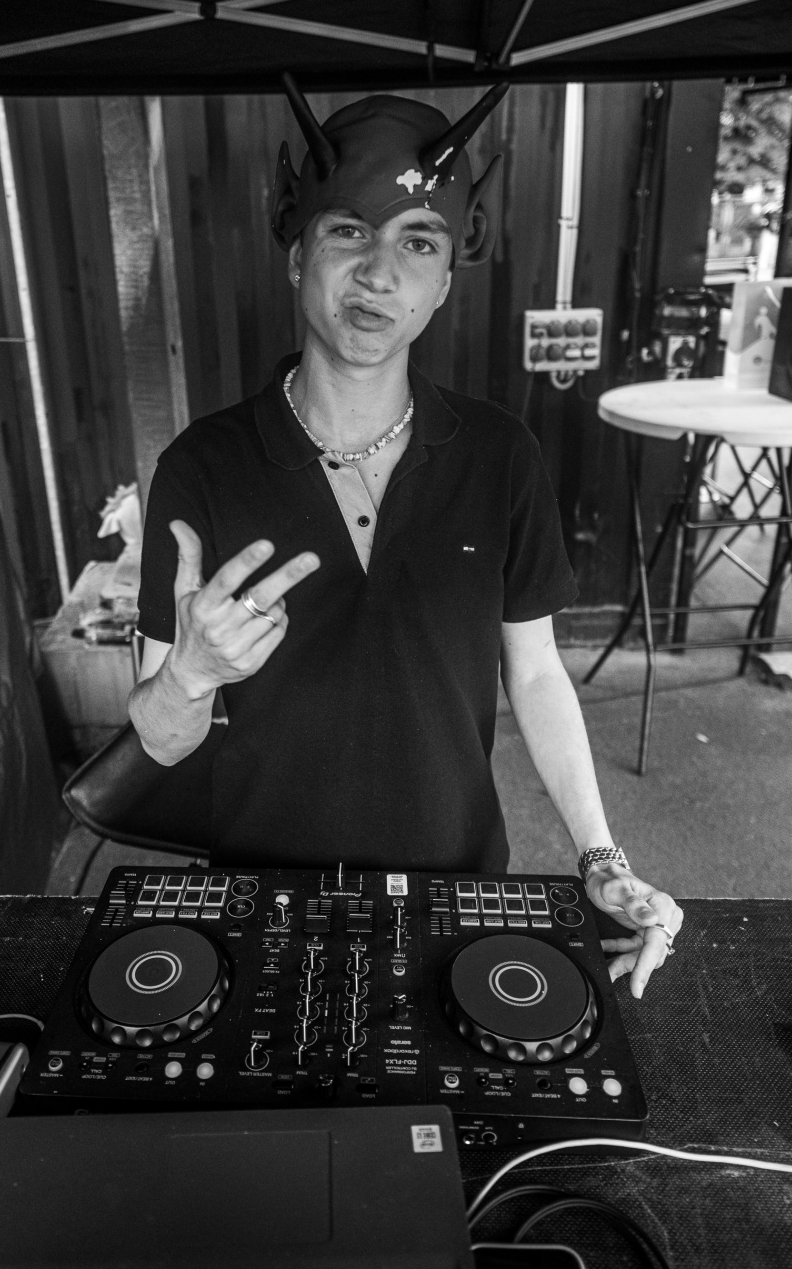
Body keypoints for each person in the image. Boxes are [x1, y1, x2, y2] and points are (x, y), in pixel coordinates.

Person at [129, 76, 682, 998]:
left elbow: (535, 673)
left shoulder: (499, 454)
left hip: (457, 886)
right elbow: (156, 741)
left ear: (443, 282)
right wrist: (189, 675)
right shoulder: (203, 465)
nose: (379, 273)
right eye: (349, 232)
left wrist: (600, 857)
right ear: (297, 257)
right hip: (262, 895)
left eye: (417, 242)